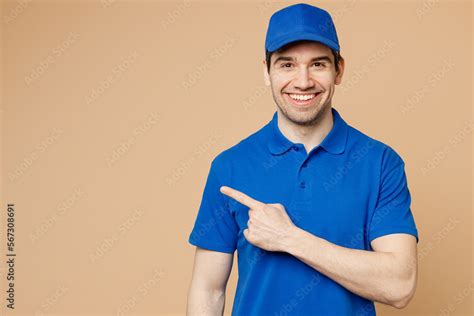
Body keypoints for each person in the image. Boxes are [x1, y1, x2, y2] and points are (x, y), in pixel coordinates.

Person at [186, 3, 419, 315]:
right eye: (287, 65)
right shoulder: (230, 166)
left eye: (318, 64)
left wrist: (289, 238)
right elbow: (208, 290)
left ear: (339, 70)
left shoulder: (380, 163)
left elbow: (400, 286)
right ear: (266, 72)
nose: (303, 81)